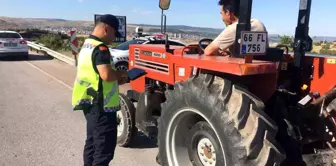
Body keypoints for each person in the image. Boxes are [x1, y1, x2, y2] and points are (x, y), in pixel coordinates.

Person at [71, 14, 129, 166]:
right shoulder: (101, 48)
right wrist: (123, 74)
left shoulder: (87, 45)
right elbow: (106, 74)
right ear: (106, 28)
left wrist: (117, 78)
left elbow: (96, 74)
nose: (114, 38)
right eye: (114, 34)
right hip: (102, 106)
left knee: (92, 142)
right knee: (103, 149)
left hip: (89, 102)